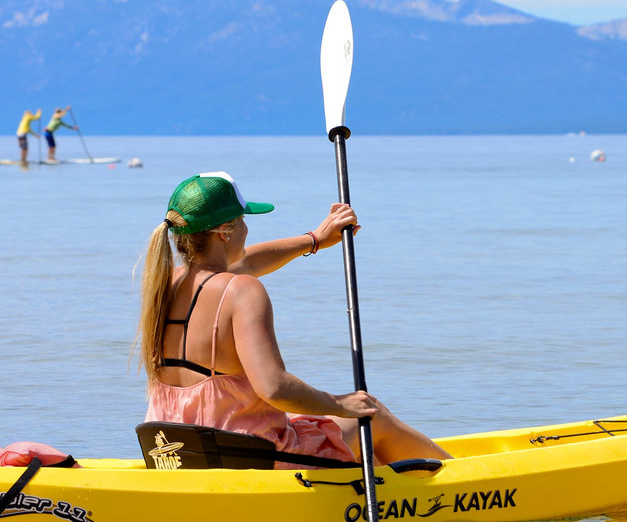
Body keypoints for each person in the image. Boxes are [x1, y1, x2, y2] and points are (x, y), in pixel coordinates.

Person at [137, 171, 451, 468]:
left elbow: (248, 261)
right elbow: (274, 388)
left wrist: (315, 239)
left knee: (353, 442)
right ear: (224, 231)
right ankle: (459, 482)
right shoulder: (242, 291)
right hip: (254, 460)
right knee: (371, 414)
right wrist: (339, 404)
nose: (246, 228)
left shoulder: (163, 284)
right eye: (242, 219)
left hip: (179, 455)